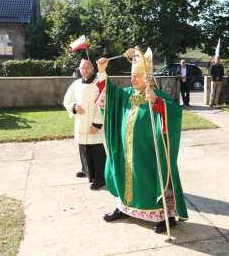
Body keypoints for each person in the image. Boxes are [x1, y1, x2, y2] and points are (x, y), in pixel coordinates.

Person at [97, 47, 188, 234]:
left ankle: (165, 216)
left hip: (149, 153)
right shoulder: (127, 94)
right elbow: (109, 95)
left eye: (137, 76)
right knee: (126, 175)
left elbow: (174, 114)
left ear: (147, 77)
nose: (133, 79)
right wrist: (102, 72)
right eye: (132, 76)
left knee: (156, 177)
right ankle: (125, 208)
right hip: (126, 150)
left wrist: (156, 102)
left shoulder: (156, 95)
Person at [63, 59, 106, 190]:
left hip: (94, 122)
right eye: (82, 68)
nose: (85, 70)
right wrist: (74, 107)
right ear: (79, 69)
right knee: (83, 148)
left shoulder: (99, 82)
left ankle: (100, 178)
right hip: (81, 121)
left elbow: (104, 103)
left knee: (97, 151)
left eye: (87, 67)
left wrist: (97, 124)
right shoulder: (76, 84)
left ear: (92, 68)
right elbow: (67, 100)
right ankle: (86, 170)